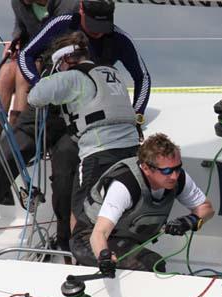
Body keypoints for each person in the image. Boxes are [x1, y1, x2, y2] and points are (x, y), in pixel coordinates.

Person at [0, 0, 150, 253]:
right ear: (81, 10)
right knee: (3, 160)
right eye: (92, 26)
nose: (98, 32)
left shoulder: (119, 39)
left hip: (81, 122)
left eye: (103, 27)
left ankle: (66, 244)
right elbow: (26, 55)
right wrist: (39, 84)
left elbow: (143, 77)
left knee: (65, 177)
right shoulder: (61, 23)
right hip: (44, 111)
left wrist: (137, 116)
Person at [27, 32, 140, 231]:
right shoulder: (112, 74)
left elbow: (35, 97)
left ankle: (81, 253)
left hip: (99, 152)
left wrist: (48, 76)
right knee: (118, 205)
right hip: (132, 150)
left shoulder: (73, 77)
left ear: (65, 59)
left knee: (81, 211)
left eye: (59, 65)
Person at [70, 133, 214, 274]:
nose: (174, 176)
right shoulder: (124, 186)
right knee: (153, 263)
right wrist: (104, 258)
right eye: (167, 171)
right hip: (88, 239)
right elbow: (99, 233)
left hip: (125, 239)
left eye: (177, 167)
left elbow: (206, 208)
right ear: (146, 168)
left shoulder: (179, 178)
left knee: (153, 263)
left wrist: (189, 221)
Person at [0, 0, 79, 165]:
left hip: (56, 58)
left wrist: (31, 54)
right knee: (7, 71)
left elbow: (62, 38)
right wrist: (15, 42)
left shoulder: (66, 4)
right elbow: (20, 28)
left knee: (23, 72)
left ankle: (18, 145)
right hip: (30, 54)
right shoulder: (19, 4)